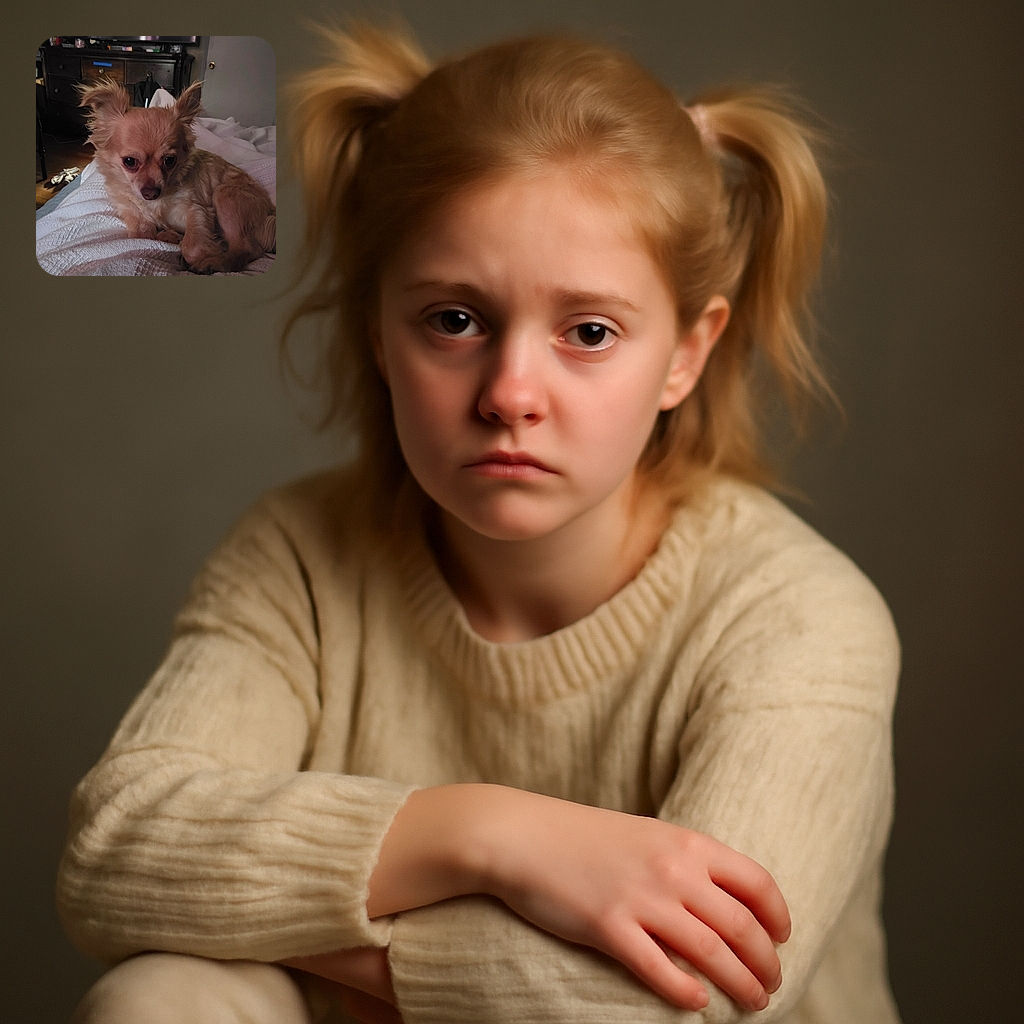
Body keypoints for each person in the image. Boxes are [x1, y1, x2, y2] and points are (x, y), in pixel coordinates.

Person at [57, 23, 902, 1024]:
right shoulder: (298, 556)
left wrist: (331, 949)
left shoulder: (800, 619)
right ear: (378, 328)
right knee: (161, 994)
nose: (509, 392)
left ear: (686, 351)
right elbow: (115, 849)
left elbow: (689, 1001)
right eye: (453, 319)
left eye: (588, 332)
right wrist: (491, 835)